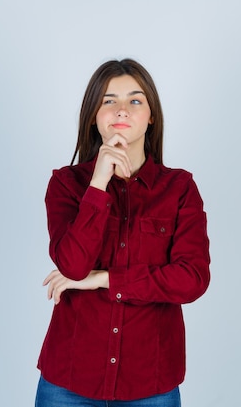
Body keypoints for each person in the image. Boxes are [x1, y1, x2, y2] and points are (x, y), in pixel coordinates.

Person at [35, 58, 211, 407]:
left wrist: (105, 279)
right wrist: (98, 183)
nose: (121, 110)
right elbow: (72, 266)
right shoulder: (66, 185)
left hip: (151, 383)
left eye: (135, 100)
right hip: (69, 382)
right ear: (94, 117)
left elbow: (192, 279)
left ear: (151, 116)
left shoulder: (179, 188)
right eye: (108, 100)